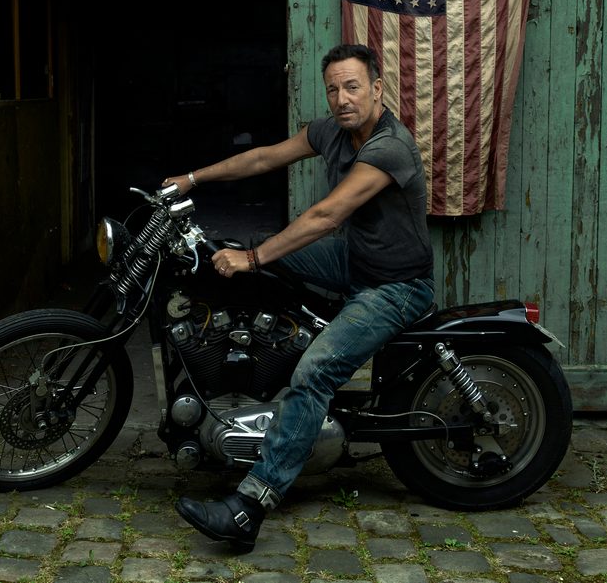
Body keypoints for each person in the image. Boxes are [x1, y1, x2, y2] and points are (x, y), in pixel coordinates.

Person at [161, 43, 435, 552]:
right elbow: (264, 157)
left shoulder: (389, 146)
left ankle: (250, 506)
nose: (341, 98)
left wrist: (257, 257)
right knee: (248, 258)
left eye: (353, 86)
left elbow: (326, 217)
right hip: (356, 261)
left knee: (315, 372)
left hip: (395, 286)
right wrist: (192, 178)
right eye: (333, 88)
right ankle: (259, 367)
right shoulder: (331, 130)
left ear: (378, 88)